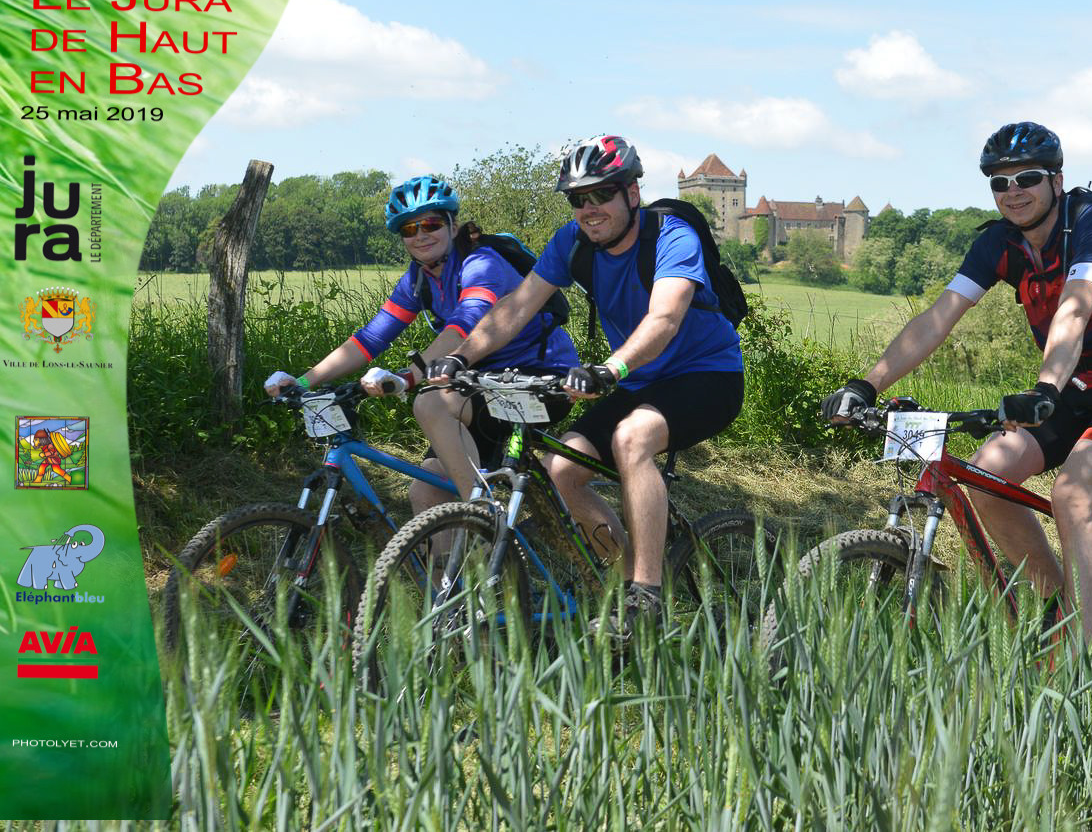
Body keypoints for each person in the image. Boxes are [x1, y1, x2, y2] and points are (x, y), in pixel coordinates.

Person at [821, 122, 1092, 646]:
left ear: (1057, 180)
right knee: (985, 476)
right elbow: (937, 318)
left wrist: (1045, 389)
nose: (1013, 192)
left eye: (1027, 178)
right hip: (1072, 386)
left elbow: (1075, 310)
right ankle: (1059, 613)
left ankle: (1090, 660)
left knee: (1072, 495)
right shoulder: (1000, 243)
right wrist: (866, 385)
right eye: (999, 182)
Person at [430, 135, 744, 639]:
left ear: (632, 193)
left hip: (707, 376)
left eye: (602, 194)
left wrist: (611, 369)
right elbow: (516, 308)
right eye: (578, 198)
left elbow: (664, 318)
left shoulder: (671, 236)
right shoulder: (571, 243)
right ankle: (624, 582)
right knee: (560, 470)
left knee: (631, 439)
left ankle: (647, 595)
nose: (589, 208)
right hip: (638, 380)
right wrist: (461, 356)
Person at [265, 175, 580, 516]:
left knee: (431, 403)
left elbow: (463, 327)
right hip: (480, 385)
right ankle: (465, 546)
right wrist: (303, 381)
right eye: (409, 229)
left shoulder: (482, 263)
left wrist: (407, 378)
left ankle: (485, 516)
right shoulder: (418, 279)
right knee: (427, 493)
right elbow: (370, 339)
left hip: (540, 379)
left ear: (453, 226)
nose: (420, 235)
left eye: (430, 224)